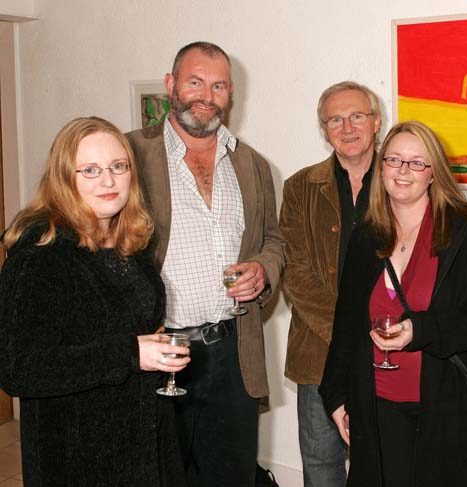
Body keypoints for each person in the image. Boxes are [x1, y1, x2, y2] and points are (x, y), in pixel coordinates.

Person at [126, 41, 285, 487]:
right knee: (159, 475)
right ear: (171, 84)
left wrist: (263, 269)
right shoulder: (131, 156)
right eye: (195, 82)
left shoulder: (252, 164)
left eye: (218, 86)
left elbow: (273, 240)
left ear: (231, 94)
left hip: (233, 353)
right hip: (161, 355)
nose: (206, 95)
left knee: (230, 477)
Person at [0, 117, 191, 487]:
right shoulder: (41, 254)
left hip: (144, 439)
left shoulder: (127, 240)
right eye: (90, 170)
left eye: (118, 166)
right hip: (78, 457)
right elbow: (18, 368)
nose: (108, 180)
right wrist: (130, 354)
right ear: (62, 178)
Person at [319, 121, 467, 487]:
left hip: (444, 410)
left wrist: (421, 330)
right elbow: (347, 324)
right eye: (394, 160)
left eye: (417, 163)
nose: (403, 171)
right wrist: (336, 395)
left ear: (434, 173)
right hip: (374, 408)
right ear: (381, 167)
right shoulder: (365, 236)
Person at [280, 81, 381, 487]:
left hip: (389, 351)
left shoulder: (402, 179)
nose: (347, 126)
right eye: (335, 119)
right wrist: (353, 331)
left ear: (376, 122)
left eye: (357, 116)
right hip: (318, 355)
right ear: (324, 130)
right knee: (321, 468)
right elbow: (296, 274)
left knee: (384, 465)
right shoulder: (300, 188)